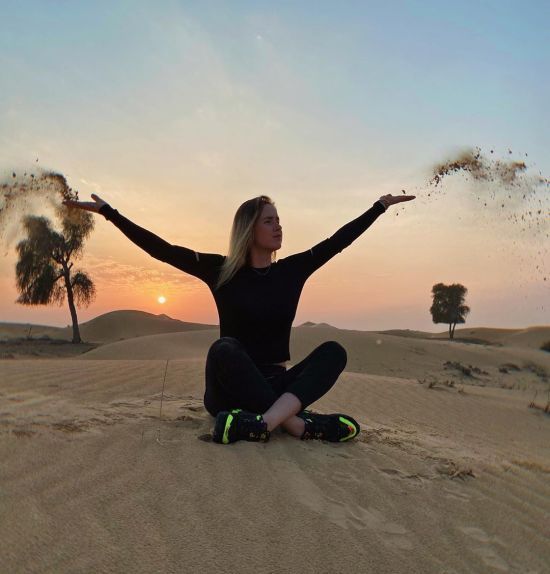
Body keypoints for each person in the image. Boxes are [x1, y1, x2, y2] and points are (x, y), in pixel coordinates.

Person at [65, 191, 415, 445]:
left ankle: (261, 424)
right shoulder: (222, 271)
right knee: (224, 348)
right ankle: (297, 425)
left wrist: (379, 207)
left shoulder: (292, 270)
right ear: (249, 228)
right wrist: (110, 213)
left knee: (334, 352)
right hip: (228, 391)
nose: (278, 227)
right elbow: (163, 250)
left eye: (279, 220)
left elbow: (337, 241)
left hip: (275, 383)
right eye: (269, 220)